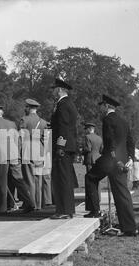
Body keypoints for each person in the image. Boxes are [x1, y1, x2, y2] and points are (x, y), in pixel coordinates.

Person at [84, 94, 138, 237]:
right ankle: (130, 227)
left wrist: (116, 159)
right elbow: (130, 142)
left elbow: (109, 141)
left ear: (107, 106)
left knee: (90, 177)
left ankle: (94, 211)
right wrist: (130, 158)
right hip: (124, 159)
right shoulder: (123, 121)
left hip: (111, 160)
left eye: (101, 105)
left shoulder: (107, 119)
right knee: (122, 192)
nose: (100, 108)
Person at [0, 105, 35, 215]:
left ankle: (2, 208)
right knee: (19, 180)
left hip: (2, 156)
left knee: (2, 182)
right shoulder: (12, 124)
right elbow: (18, 139)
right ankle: (30, 203)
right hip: (14, 154)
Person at [50, 78, 78, 219]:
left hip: (63, 146)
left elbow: (64, 128)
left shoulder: (63, 105)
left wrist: (60, 145)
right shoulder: (67, 104)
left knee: (63, 179)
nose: (52, 91)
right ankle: (65, 209)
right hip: (67, 145)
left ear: (60, 89)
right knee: (63, 178)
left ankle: (65, 210)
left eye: (54, 89)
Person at [19, 98, 49, 210]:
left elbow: (21, 138)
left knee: (29, 180)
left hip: (28, 151)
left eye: (25, 107)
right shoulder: (43, 122)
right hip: (39, 151)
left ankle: (31, 204)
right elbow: (45, 139)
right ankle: (38, 204)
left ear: (28, 108)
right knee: (38, 179)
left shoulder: (24, 120)